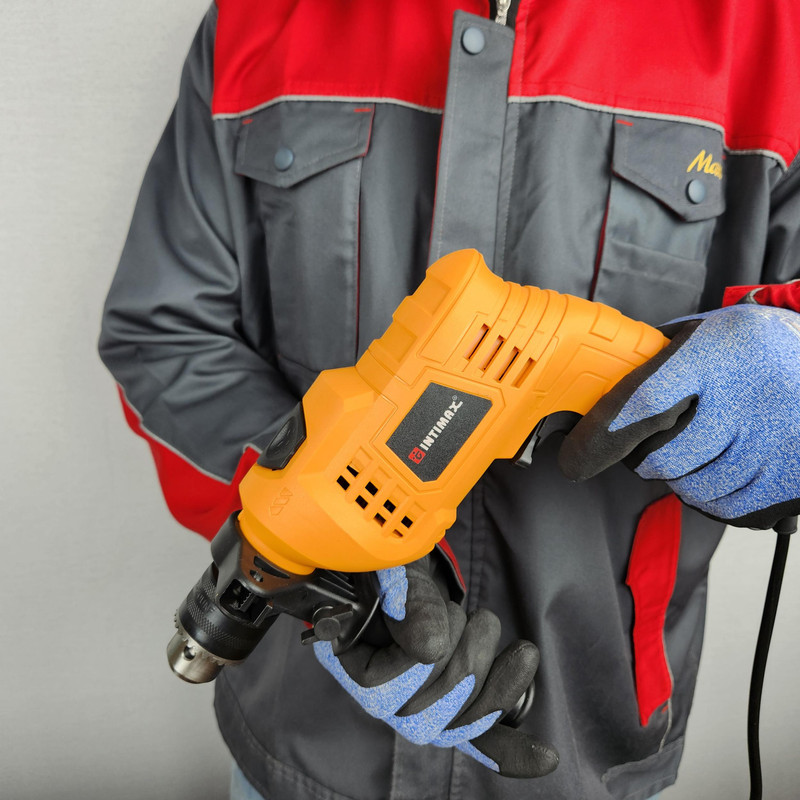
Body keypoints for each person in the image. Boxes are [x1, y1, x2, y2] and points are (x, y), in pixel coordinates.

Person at [98, 2, 800, 798]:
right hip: (302, 738)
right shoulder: (256, 20)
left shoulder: (772, 30)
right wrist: (317, 516)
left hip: (588, 731)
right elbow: (161, 332)